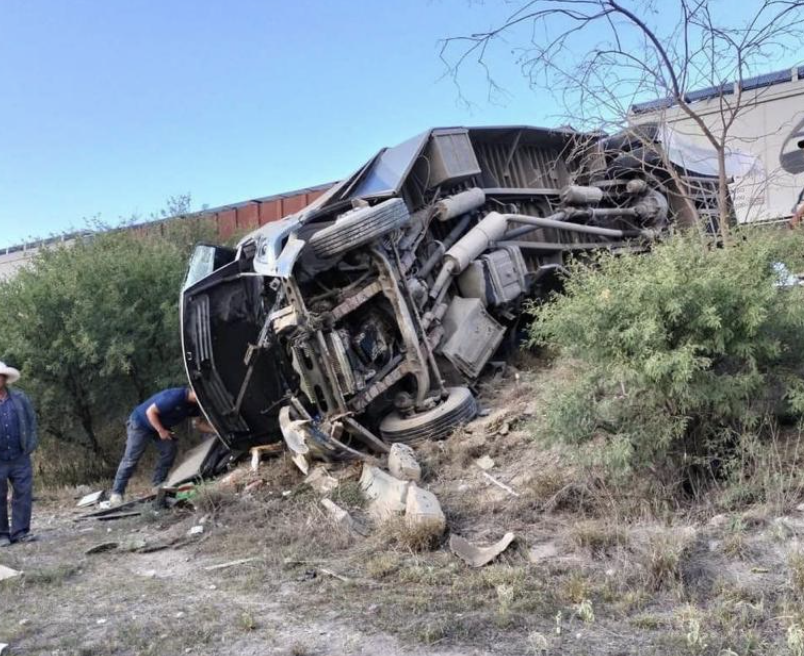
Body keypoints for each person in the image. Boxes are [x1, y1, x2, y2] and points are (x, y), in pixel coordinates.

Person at [109, 387, 201, 505]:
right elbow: (150, 412)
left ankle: (158, 484)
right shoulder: (175, 396)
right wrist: (161, 431)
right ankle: (117, 493)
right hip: (141, 423)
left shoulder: (195, 405)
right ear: (193, 390)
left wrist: (216, 430)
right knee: (131, 459)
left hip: (159, 425)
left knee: (169, 449)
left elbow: (198, 424)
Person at [0, 361, 38, 547]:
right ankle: (2, 535)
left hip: (19, 455)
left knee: (23, 493)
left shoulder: (20, 398)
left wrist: (30, 445)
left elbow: (31, 421)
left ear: (5, 378)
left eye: (0, 376)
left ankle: (20, 532)